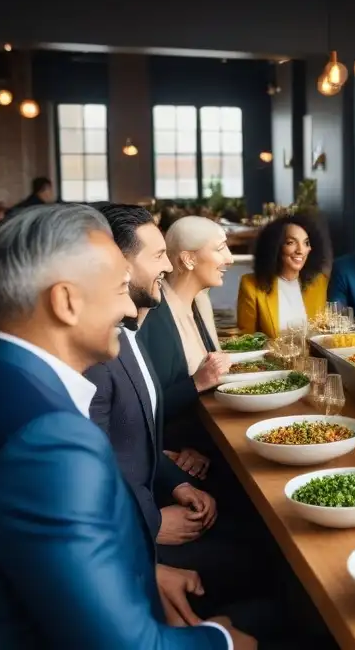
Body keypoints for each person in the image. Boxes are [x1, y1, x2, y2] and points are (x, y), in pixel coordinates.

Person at [0, 204, 251, 648]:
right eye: (117, 289)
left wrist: (147, 571)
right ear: (66, 301)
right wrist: (221, 641)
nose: (126, 304)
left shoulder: (12, 378)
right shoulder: (50, 439)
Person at [85, 204, 219, 555]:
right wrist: (152, 524)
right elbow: (92, 473)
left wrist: (179, 486)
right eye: (159, 255)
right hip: (130, 537)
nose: (168, 265)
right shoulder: (96, 354)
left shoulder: (129, 333)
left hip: (160, 497)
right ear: (119, 265)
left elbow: (137, 443)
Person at [139, 216, 232, 428]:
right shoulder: (153, 316)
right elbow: (143, 406)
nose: (230, 258)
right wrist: (197, 382)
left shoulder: (198, 302)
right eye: (220, 248)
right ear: (188, 259)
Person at [237, 214, 329, 337]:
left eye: (306, 243)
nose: (300, 250)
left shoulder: (319, 282)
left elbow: (323, 334)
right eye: (291, 242)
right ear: (275, 246)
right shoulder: (251, 285)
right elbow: (246, 340)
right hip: (270, 356)